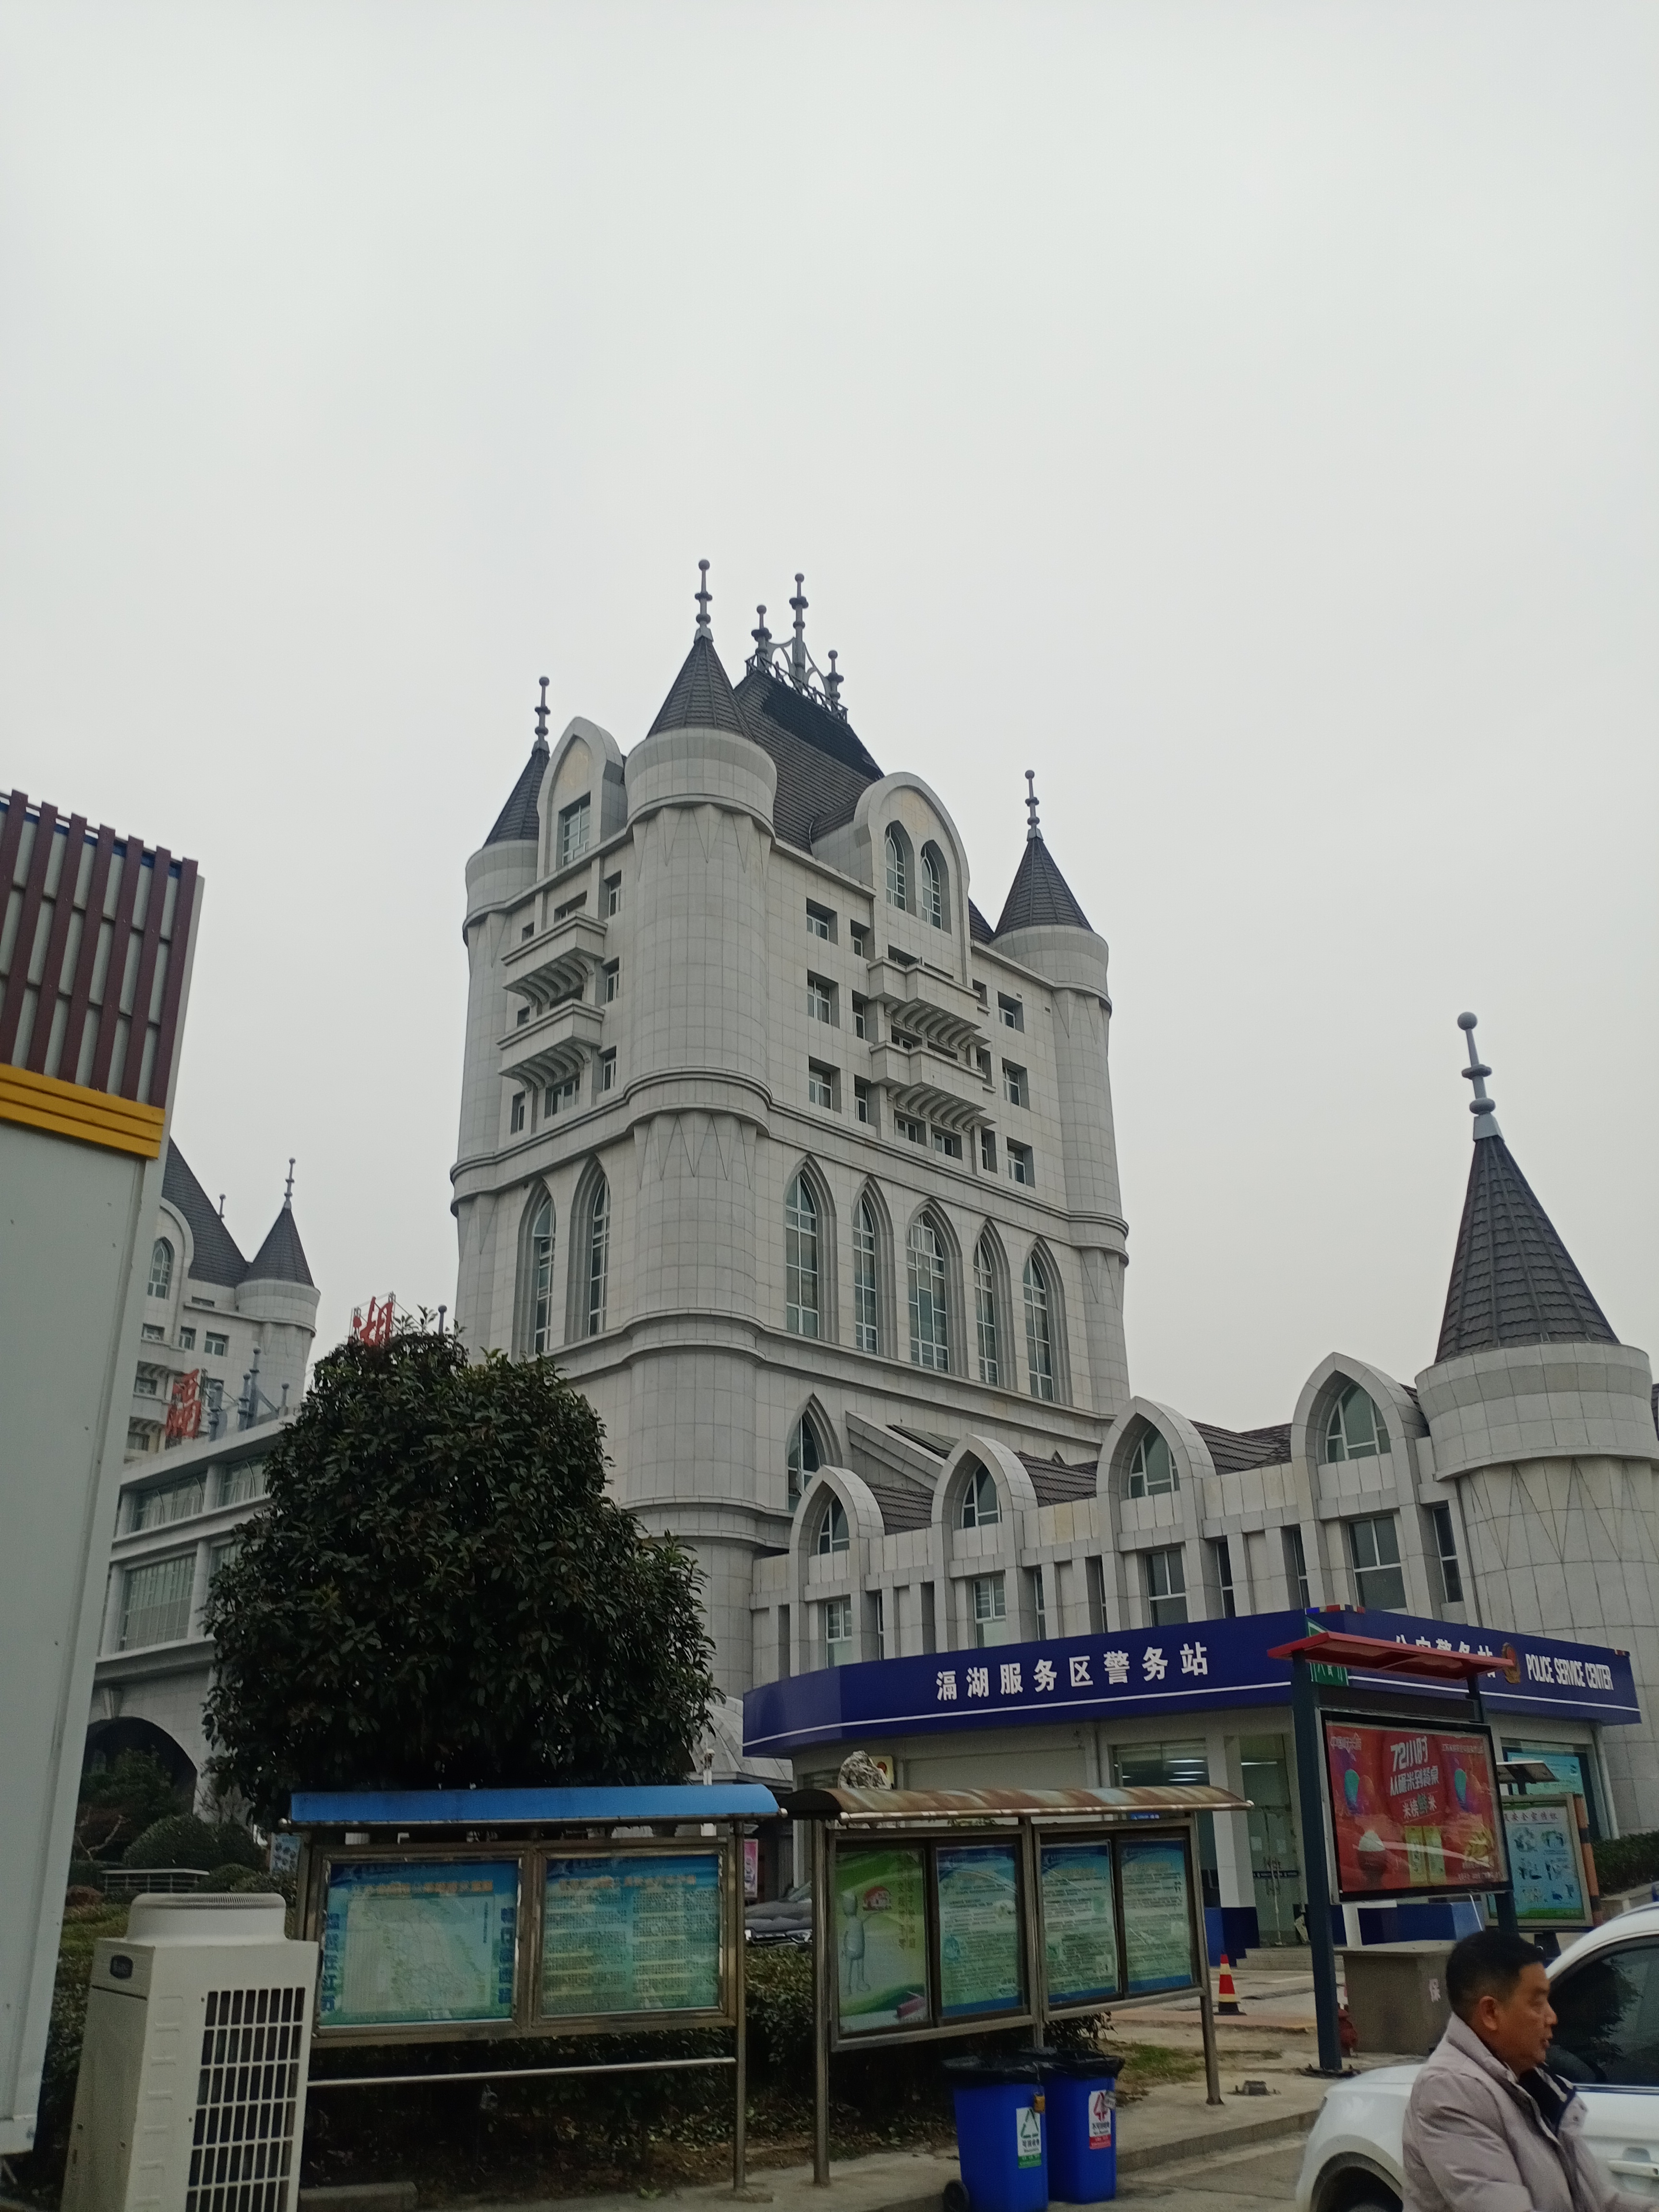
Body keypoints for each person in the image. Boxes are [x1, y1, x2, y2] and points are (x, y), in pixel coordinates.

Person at [1403, 1928, 1649, 2212]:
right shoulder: (1450, 2091)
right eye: (1537, 2003)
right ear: (1491, 2013)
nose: (1552, 2017)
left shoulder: (1530, 2079)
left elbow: (1591, 2199)